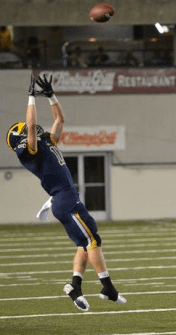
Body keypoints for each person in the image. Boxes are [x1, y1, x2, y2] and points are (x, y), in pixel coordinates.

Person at [6, 74, 126, 312]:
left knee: (86, 243)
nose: (32, 128)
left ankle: (75, 287)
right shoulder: (29, 151)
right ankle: (108, 287)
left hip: (69, 196)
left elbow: (60, 119)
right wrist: (31, 97)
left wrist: (51, 95)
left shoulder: (47, 142)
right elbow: (30, 126)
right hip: (63, 198)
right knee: (93, 240)